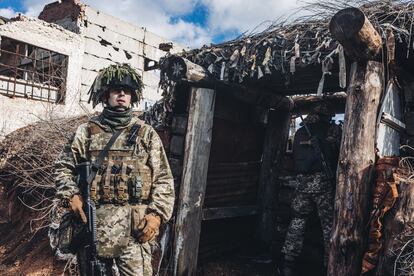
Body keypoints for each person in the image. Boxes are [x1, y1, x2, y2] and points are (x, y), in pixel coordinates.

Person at [54, 63, 175, 275]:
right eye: (116, 90)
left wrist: (156, 215)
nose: (121, 94)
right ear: (105, 95)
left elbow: (163, 179)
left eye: (126, 91)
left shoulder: (146, 134)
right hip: (93, 228)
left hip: (134, 231)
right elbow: (63, 167)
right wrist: (71, 195)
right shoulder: (86, 132)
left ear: (132, 96)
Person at [281, 103, 341, 276]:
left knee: (297, 222)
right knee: (329, 226)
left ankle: (288, 262)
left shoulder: (300, 132)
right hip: (323, 185)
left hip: (302, 185)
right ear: (326, 116)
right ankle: (329, 265)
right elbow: (339, 152)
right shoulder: (332, 130)